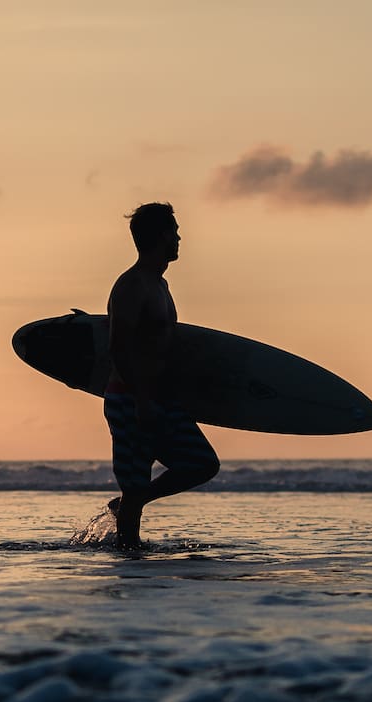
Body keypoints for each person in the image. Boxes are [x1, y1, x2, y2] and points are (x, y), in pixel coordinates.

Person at [103, 203, 218, 546]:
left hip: (160, 398)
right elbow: (119, 347)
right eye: (174, 231)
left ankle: (130, 506)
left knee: (202, 464)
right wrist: (140, 400)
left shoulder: (160, 284)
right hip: (131, 397)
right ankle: (129, 557)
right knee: (135, 482)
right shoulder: (131, 285)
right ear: (159, 236)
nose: (179, 237)